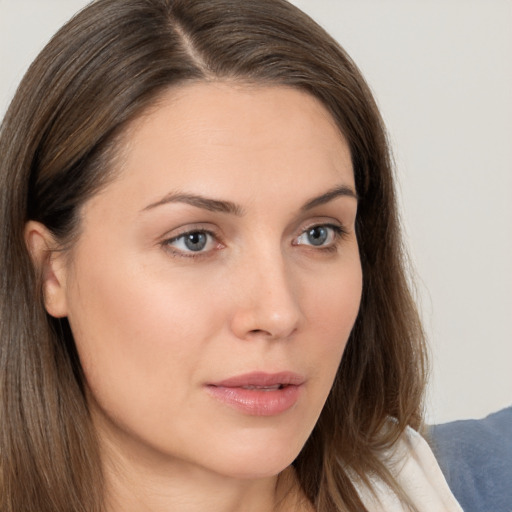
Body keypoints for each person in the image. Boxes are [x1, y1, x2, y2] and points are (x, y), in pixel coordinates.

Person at [0, 0, 462, 511]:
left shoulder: (477, 483)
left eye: (316, 234)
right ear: (50, 270)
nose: (278, 313)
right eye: (193, 239)